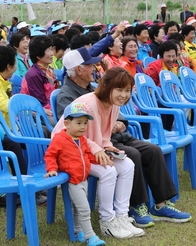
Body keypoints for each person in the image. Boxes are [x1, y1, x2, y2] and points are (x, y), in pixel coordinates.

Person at [51, 68, 141, 239]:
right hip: (69, 151)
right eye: (119, 89)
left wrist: (107, 147)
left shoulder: (114, 105)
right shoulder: (88, 104)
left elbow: (104, 135)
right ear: (106, 86)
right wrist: (98, 148)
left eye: (127, 90)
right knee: (109, 171)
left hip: (89, 151)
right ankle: (107, 221)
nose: (124, 95)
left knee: (128, 164)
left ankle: (121, 217)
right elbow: (76, 135)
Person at [44, 103, 106, 246]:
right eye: (79, 123)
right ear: (67, 123)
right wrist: (52, 169)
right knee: (84, 208)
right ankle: (91, 237)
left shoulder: (82, 139)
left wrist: (101, 159)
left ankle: (78, 231)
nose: (83, 127)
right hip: (73, 180)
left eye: (85, 123)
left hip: (83, 178)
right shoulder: (60, 139)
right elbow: (50, 156)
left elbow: (87, 155)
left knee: (78, 207)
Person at [55, 48, 102, 120]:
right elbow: (74, 126)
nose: (94, 69)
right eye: (90, 65)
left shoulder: (92, 89)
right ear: (79, 70)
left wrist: (119, 122)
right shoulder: (66, 97)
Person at [21, 36, 60, 123]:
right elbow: (40, 103)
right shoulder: (33, 75)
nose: (52, 54)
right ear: (38, 55)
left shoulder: (49, 70)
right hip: (38, 113)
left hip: (51, 109)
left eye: (51, 49)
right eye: (48, 50)